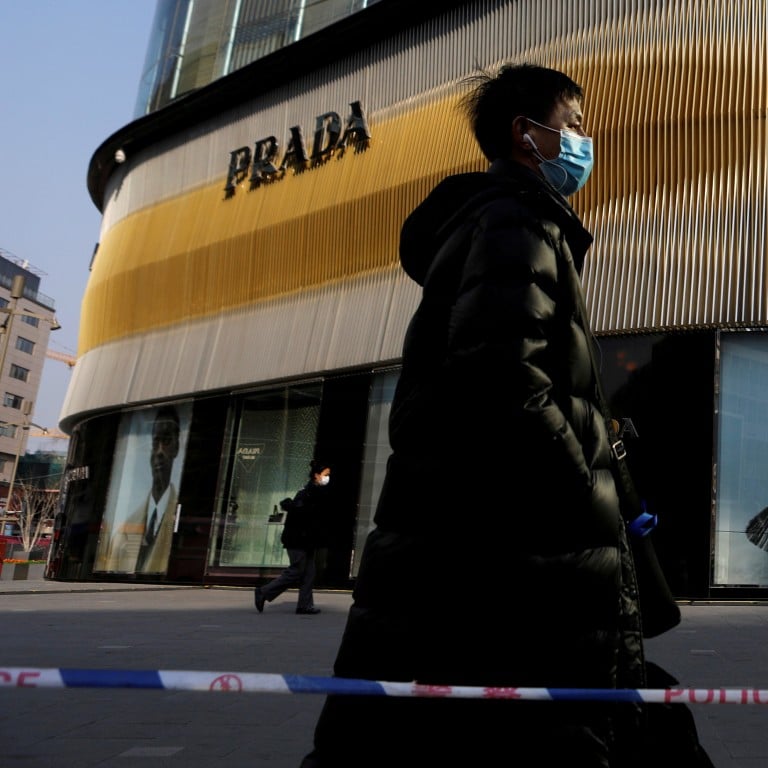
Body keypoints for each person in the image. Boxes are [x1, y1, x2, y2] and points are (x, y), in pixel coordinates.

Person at [299, 64, 702, 767]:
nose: (582, 141)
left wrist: (617, 484)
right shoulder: (516, 221)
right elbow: (505, 378)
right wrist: (587, 495)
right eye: (572, 125)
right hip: (520, 557)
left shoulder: (499, 223)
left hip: (481, 552)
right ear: (526, 134)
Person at [105, 405, 181, 574]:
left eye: (167, 441)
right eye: (155, 442)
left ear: (177, 448)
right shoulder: (123, 531)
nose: (159, 451)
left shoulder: (181, 520)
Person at [254, 460, 331, 615]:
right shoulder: (307, 493)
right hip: (298, 541)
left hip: (306, 541)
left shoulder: (315, 491)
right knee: (296, 571)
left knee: (309, 573)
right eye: (326, 475)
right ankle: (264, 592)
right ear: (316, 475)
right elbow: (300, 516)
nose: (328, 478)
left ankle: (304, 605)